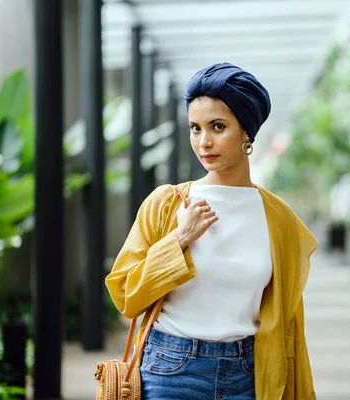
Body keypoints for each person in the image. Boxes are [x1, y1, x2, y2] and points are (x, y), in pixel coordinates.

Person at [105, 62, 318, 400]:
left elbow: (288, 325)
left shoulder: (279, 219)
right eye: (195, 128)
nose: (204, 141)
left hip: (249, 373)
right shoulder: (167, 203)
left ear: (246, 131)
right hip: (170, 372)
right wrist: (179, 239)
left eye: (218, 126)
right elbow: (126, 295)